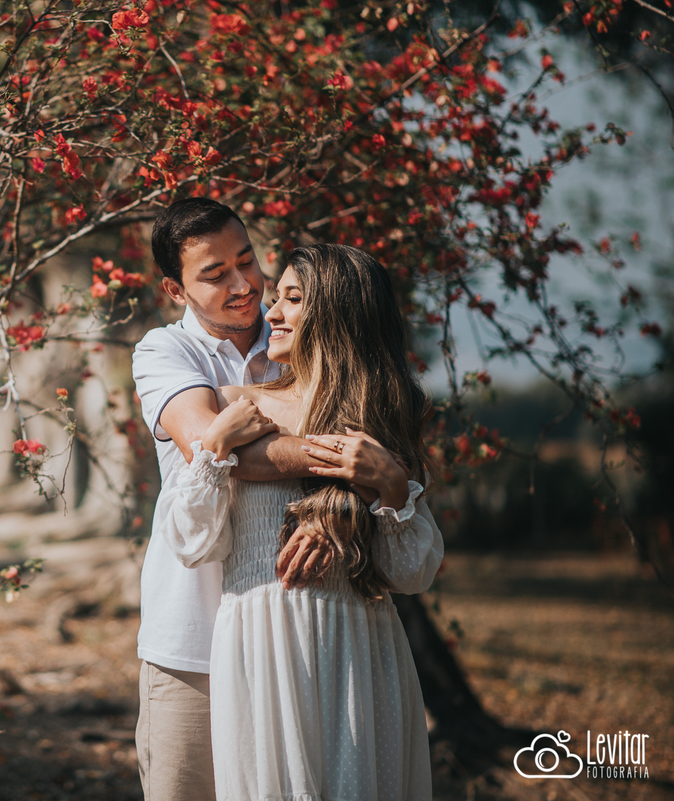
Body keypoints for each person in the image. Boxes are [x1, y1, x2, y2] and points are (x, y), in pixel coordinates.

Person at [132, 200, 406, 801]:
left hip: (309, 635)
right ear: (175, 289)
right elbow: (217, 447)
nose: (243, 285)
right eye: (214, 274)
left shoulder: (298, 335)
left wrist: (348, 502)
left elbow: (377, 427)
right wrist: (351, 470)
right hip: (191, 637)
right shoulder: (164, 352)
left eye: (246, 260)